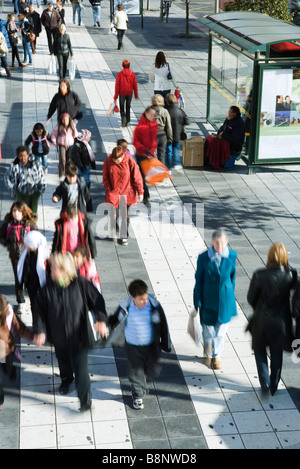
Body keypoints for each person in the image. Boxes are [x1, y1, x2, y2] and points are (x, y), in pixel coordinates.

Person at [33, 252, 107, 412]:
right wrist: (39, 330)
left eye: (53, 269)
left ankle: (85, 400)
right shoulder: (47, 289)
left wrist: (101, 320)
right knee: (63, 361)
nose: (50, 272)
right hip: (58, 336)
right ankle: (66, 379)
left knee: (81, 369)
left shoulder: (81, 284)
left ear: (64, 270)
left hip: (79, 337)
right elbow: (38, 311)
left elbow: (98, 301)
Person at [108, 279, 171, 410]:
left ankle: (141, 383)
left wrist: (165, 343)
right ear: (133, 297)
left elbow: (163, 325)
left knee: (149, 369)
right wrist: (105, 325)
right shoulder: (126, 306)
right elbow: (115, 319)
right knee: (135, 370)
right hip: (132, 345)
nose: (145, 301)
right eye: (141, 299)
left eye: (146, 297)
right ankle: (137, 395)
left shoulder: (155, 306)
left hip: (151, 346)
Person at [247, 243, 297, 395]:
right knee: (277, 352)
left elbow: (251, 298)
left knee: (260, 349)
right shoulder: (291, 275)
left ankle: (265, 383)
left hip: (262, 319)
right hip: (281, 321)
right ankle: (274, 384)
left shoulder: (259, 274)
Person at [193, 229, 238, 370]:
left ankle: (216, 356)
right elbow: (198, 280)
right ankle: (207, 349)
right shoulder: (203, 258)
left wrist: (229, 292)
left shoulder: (231, 256)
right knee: (208, 332)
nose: (220, 245)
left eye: (222, 242)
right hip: (208, 300)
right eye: (217, 243)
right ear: (212, 242)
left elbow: (233, 277)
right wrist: (197, 300)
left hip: (225, 302)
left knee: (220, 332)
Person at [0, 201, 38, 312]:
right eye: (14, 211)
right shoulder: (8, 224)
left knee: (30, 277)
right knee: (18, 278)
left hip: (29, 257)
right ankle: (21, 301)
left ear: (24, 212)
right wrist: (7, 243)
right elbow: (1, 236)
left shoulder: (29, 225)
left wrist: (32, 246)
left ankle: (33, 298)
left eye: (19, 211)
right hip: (15, 256)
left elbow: (38, 236)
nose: (16, 213)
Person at [102, 146, 144, 245]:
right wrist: (109, 188)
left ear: (122, 156)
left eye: (118, 159)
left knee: (125, 216)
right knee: (113, 214)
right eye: (114, 159)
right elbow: (105, 176)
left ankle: (124, 236)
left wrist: (140, 192)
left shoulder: (129, 162)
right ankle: (114, 229)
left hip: (127, 192)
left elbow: (137, 177)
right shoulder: (108, 161)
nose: (116, 161)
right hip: (114, 192)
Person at [0, 295, 34, 408]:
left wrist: (33, 336)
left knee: (7, 368)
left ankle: (11, 371)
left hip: (6, 350)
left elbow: (19, 327)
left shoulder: (8, 313)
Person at [4, 145, 46, 215]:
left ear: (28, 155)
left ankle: (32, 225)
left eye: (24, 155)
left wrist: (41, 190)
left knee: (33, 213)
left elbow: (42, 177)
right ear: (18, 156)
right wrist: (12, 188)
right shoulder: (15, 166)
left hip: (34, 192)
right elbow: (6, 177)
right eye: (21, 156)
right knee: (21, 213)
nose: (23, 158)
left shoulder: (36, 165)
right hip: (21, 193)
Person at [17, 230, 50, 316]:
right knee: (34, 306)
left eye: (28, 244)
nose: (25, 246)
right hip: (30, 286)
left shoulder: (44, 257)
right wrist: (20, 287)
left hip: (41, 287)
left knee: (42, 306)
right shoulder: (25, 255)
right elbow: (21, 271)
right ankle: (36, 323)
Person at [132, 106, 158, 206]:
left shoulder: (154, 124)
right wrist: (144, 149)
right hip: (141, 154)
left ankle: (142, 191)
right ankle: (145, 196)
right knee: (143, 176)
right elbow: (135, 142)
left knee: (149, 175)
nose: (153, 116)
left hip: (151, 154)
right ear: (146, 114)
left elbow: (154, 139)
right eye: (151, 115)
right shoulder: (139, 127)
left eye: (154, 115)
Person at [165, 93, 190, 171]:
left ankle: (168, 168)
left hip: (168, 134)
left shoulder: (166, 111)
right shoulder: (180, 111)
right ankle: (177, 163)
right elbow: (187, 121)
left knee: (169, 151)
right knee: (175, 149)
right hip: (178, 134)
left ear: (167, 101)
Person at [50, 113, 78, 179]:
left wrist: (74, 128)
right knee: (62, 159)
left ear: (69, 120)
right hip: (62, 144)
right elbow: (53, 135)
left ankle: (68, 172)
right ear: (61, 120)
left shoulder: (72, 126)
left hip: (70, 144)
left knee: (68, 159)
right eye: (63, 120)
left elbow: (76, 134)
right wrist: (55, 142)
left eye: (66, 120)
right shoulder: (59, 126)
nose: (65, 121)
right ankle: (62, 172)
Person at [113, 59, 138, 127]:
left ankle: (123, 118)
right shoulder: (132, 74)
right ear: (129, 66)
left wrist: (115, 96)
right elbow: (135, 85)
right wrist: (136, 94)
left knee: (122, 106)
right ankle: (128, 120)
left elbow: (117, 86)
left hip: (122, 93)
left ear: (122, 65)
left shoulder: (119, 74)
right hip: (129, 92)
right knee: (128, 106)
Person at [151, 94, 172, 165]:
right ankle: (161, 173)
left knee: (151, 154)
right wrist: (170, 137)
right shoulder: (165, 111)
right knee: (162, 155)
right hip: (162, 135)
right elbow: (169, 126)